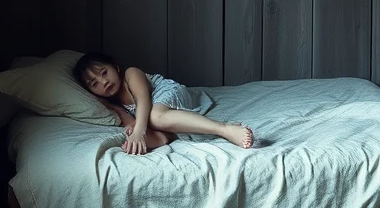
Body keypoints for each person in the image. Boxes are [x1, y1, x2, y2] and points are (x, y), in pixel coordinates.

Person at [74, 52, 254, 156]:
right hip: (157, 116)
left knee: (152, 118)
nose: (103, 82)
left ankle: (223, 129)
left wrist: (139, 131)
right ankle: (167, 137)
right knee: (135, 132)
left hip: (167, 94)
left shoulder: (131, 74)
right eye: (94, 84)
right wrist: (133, 131)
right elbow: (132, 123)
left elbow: (144, 100)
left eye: (104, 73)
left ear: (116, 67)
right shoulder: (113, 103)